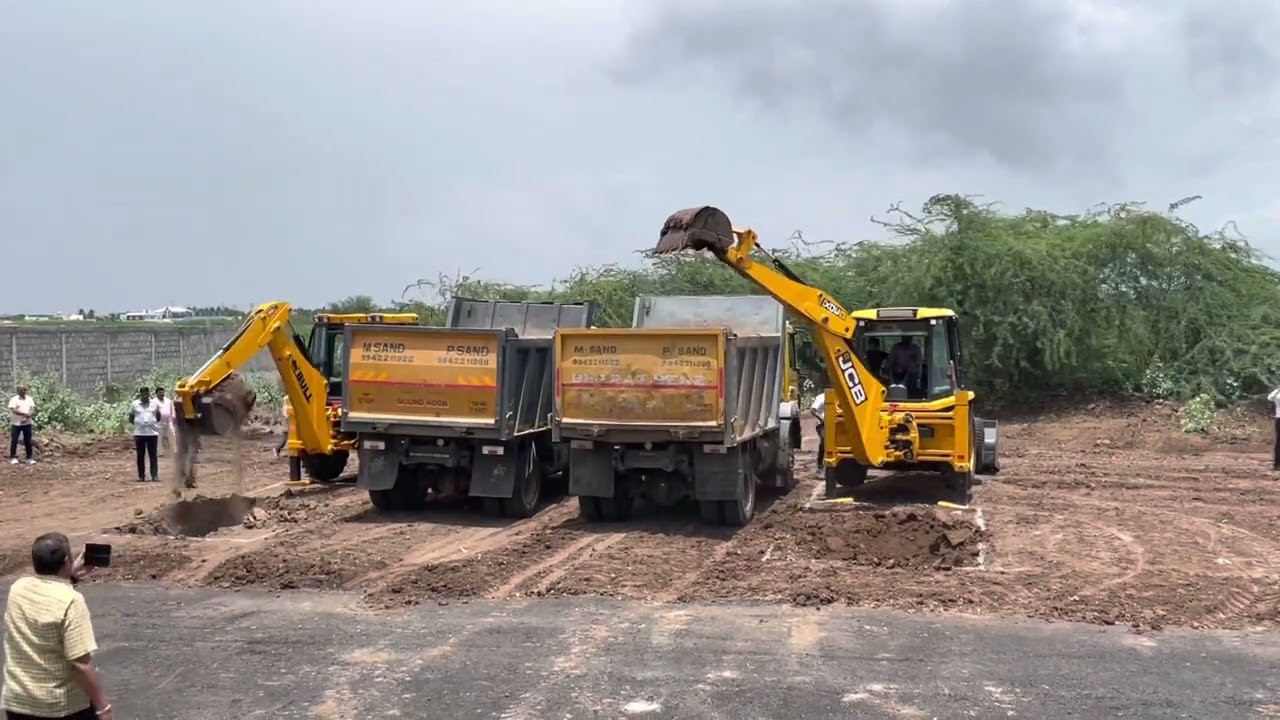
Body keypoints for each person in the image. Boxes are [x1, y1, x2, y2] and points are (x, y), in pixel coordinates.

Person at [1, 532, 114, 720]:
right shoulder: (71, 601)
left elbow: (48, 595)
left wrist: (71, 576)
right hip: (59, 707)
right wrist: (104, 708)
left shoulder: (18, 589)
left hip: (18, 702)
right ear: (67, 560)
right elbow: (80, 664)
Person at [128, 387, 161, 483]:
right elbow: (131, 417)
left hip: (152, 433)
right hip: (139, 433)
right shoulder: (134, 404)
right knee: (140, 456)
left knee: (153, 455)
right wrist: (139, 424)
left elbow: (158, 416)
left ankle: (154, 475)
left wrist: (152, 423)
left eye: (147, 394)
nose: (145, 396)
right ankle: (141, 476)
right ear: (140, 395)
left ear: (149, 394)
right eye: (143, 394)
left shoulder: (154, 404)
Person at [7, 385, 36, 466]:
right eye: (22, 390)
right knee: (14, 440)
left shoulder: (29, 399)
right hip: (16, 423)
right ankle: (13, 457)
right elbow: (13, 410)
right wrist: (24, 414)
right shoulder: (14, 399)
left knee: (28, 441)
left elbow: (32, 408)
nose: (24, 391)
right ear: (18, 391)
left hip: (27, 423)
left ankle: (29, 458)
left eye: (25, 390)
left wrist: (29, 415)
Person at [153, 387, 175, 457]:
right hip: (159, 423)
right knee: (159, 438)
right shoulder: (154, 402)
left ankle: (175, 450)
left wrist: (173, 416)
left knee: (172, 435)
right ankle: (160, 452)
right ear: (156, 393)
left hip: (169, 421)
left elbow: (172, 409)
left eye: (162, 392)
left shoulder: (168, 400)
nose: (162, 394)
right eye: (160, 392)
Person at [810, 390, 826, 470]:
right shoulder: (822, 397)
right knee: (824, 443)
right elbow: (812, 410)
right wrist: (822, 419)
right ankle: (820, 465)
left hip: (834, 423)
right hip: (822, 424)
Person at [1269, 385, 1280, 471]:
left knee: (1278, 441)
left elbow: (1270, 398)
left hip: (1278, 418)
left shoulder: (1277, 394)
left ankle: (1277, 464)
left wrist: (1277, 390)